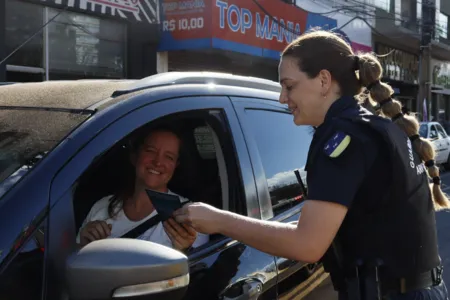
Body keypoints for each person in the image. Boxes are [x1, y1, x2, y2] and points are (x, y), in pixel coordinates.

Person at [174, 30, 450, 299]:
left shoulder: (343, 138)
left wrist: (218, 220)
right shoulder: (374, 127)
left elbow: (308, 245)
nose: (283, 98)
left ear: (323, 81)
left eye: (289, 86)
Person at [77, 125, 209, 252]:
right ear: (134, 155)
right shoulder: (101, 208)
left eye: (169, 157)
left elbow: (203, 271)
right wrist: (83, 245)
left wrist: (186, 251)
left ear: (175, 165)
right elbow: (72, 265)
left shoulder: (191, 217)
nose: (157, 162)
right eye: (150, 151)